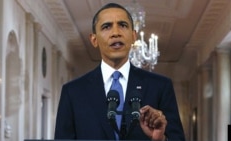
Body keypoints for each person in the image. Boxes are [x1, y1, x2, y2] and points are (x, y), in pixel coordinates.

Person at [54, 2, 185, 141]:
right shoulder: (73, 92)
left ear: (134, 36)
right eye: (106, 27)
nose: (116, 33)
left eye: (123, 25)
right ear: (94, 39)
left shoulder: (160, 86)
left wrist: (160, 139)